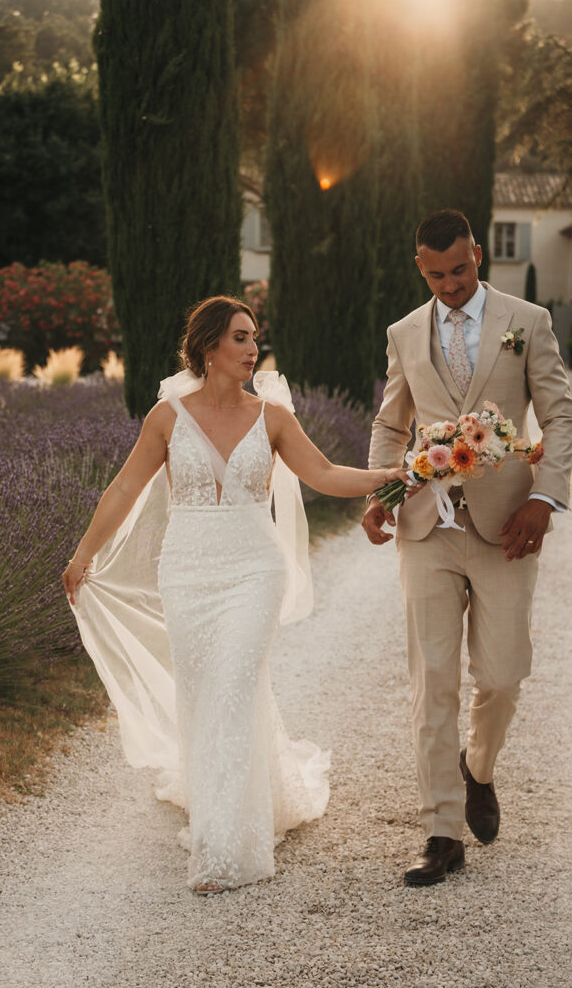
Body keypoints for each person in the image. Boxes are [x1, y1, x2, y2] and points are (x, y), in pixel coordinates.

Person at [63, 295, 413, 896]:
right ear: (208, 348)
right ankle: (234, 797)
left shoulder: (272, 416)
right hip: (188, 570)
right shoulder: (167, 417)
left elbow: (323, 475)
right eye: (241, 338)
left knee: (232, 684)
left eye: (255, 338)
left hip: (254, 568)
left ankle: (227, 850)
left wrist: (386, 477)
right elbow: (124, 489)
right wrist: (82, 554)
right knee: (205, 693)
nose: (253, 349)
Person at [364, 209, 572, 885]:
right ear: (419, 268)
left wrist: (544, 498)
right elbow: (391, 422)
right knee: (433, 680)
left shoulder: (526, 321)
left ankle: (476, 770)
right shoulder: (403, 333)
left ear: (476, 255)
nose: (449, 284)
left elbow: (560, 412)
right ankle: (439, 831)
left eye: (458, 269)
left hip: (508, 524)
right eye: (434, 274)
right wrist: (378, 492)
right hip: (426, 527)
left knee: (504, 675)